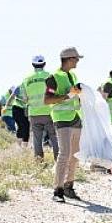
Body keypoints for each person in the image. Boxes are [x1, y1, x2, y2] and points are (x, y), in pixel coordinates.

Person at [44, 47, 85, 203]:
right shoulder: (53, 77)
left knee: (75, 155)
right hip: (62, 119)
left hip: (75, 119)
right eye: (76, 58)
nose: (78, 61)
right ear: (69, 59)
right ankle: (58, 190)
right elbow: (47, 100)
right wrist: (69, 95)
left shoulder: (72, 75)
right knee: (64, 154)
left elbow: (75, 97)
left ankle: (69, 186)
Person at [21, 55, 58, 161]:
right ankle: (58, 161)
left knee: (37, 139)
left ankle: (39, 161)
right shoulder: (50, 76)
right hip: (50, 112)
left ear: (33, 65)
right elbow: (54, 93)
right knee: (54, 137)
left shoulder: (26, 79)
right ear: (44, 64)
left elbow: (24, 99)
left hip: (34, 113)